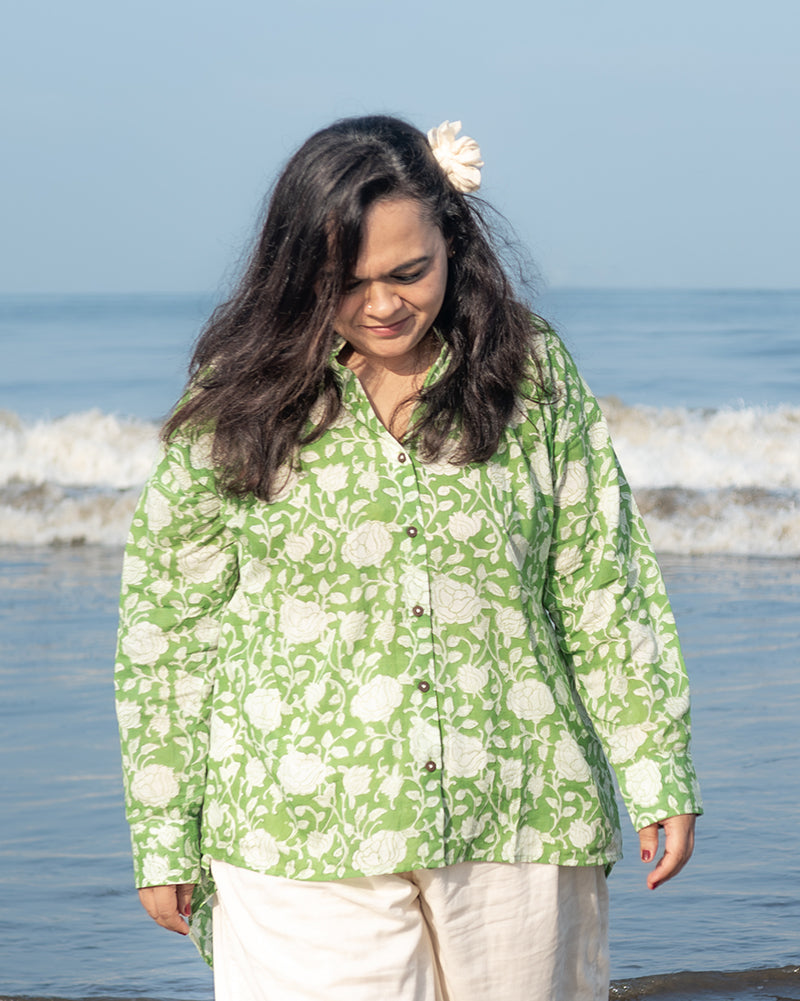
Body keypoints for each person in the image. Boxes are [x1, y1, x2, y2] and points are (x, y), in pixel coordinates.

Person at [115, 115, 702, 1001]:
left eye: (407, 272)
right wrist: (164, 830)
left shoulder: (530, 375)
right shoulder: (239, 399)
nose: (381, 304)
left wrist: (655, 762)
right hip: (293, 824)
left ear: (452, 241)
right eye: (344, 283)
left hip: (518, 806)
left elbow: (599, 577)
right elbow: (169, 625)